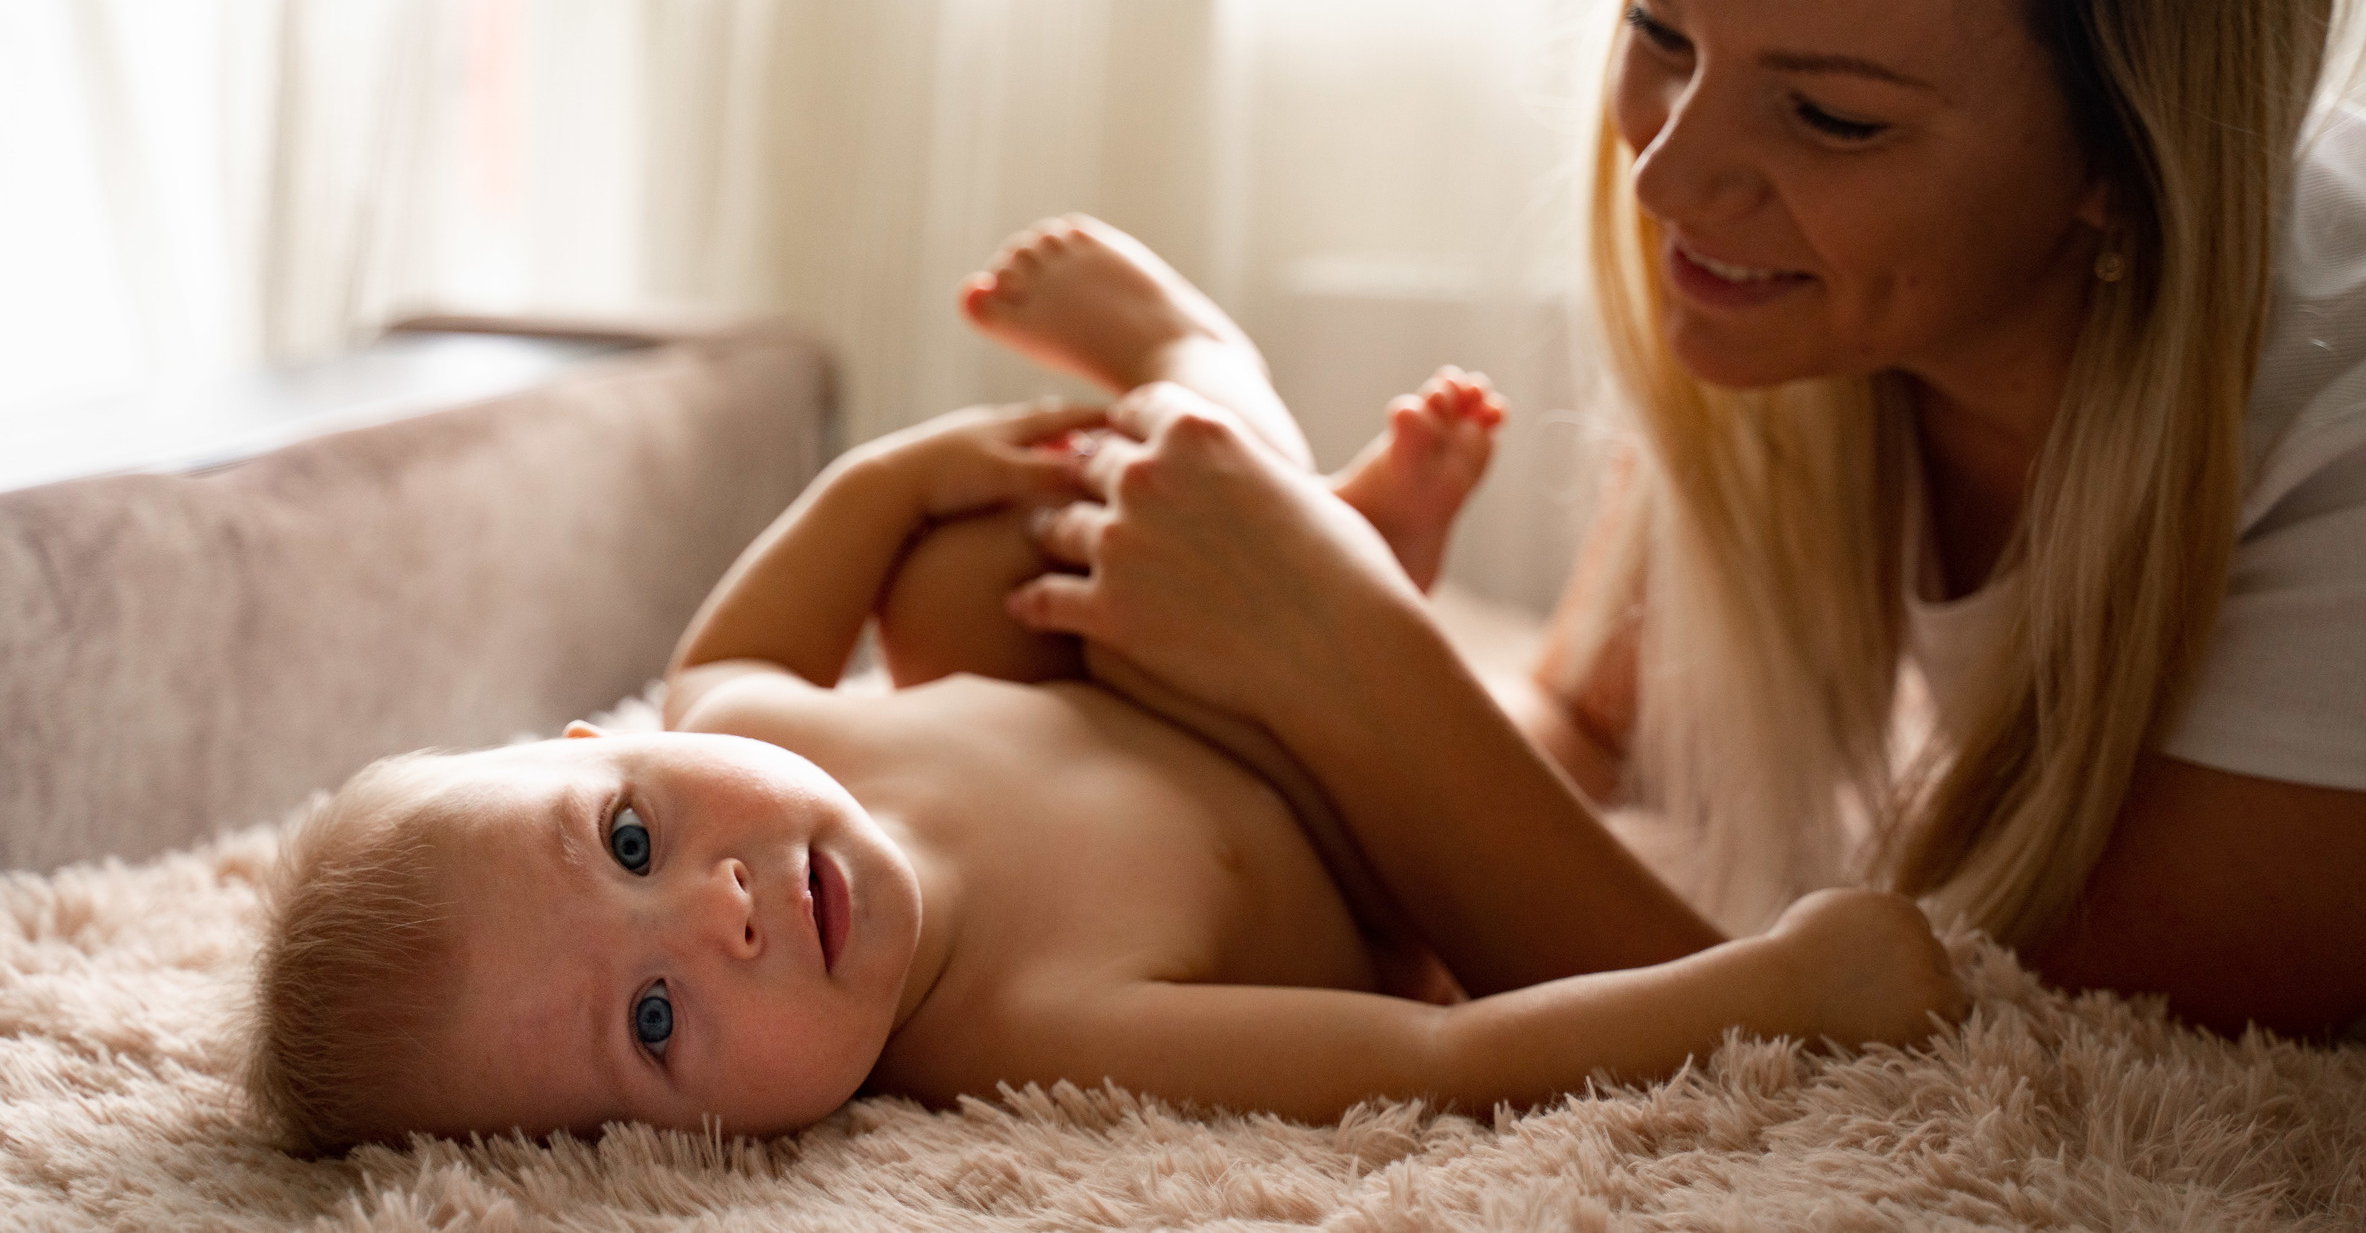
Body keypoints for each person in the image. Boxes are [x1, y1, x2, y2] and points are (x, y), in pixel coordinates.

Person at [998, 0, 2366, 1037]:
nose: (1670, 181)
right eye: (1659, 26)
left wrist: (1346, 649)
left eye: (1830, 116)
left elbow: (1976, 1066)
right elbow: (1578, 735)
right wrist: (1283, 698)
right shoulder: (1833, 311)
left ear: (2126, 154)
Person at [245, 216, 1962, 1154]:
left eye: (624, 843)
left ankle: (1279, 501)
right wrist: (1778, 986)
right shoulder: (1038, 1026)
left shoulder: (742, 733)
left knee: (955, 570)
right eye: (657, 1023)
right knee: (1541, 732)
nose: (722, 915)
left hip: (1163, 660)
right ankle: (1254, 449)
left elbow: (748, 630)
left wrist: (917, 470)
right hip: (1368, 818)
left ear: (596, 748)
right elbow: (1444, 1061)